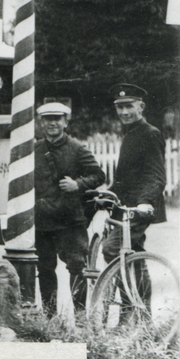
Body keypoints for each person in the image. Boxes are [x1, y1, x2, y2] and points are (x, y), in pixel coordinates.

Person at [33, 102, 105, 316]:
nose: (52, 123)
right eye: (47, 119)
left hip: (69, 220)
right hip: (43, 220)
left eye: (57, 118)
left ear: (66, 121)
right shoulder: (35, 150)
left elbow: (99, 176)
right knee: (44, 269)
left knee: (77, 267)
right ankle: (49, 318)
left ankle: (81, 318)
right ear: (41, 122)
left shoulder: (77, 148)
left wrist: (78, 184)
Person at [101, 83, 167, 317]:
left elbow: (156, 175)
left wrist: (146, 202)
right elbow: (124, 178)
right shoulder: (130, 134)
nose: (124, 112)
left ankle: (130, 309)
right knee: (133, 256)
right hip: (125, 207)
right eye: (119, 107)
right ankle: (142, 315)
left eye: (129, 106)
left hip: (139, 209)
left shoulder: (150, 133)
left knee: (112, 249)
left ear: (141, 107)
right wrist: (105, 193)